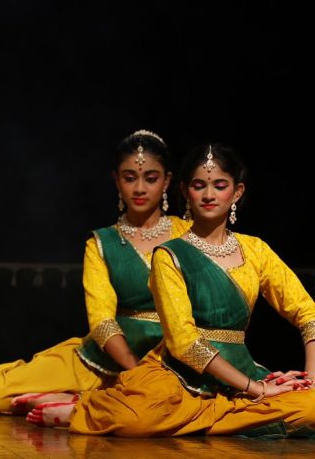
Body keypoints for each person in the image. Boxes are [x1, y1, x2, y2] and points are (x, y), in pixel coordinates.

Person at [43, 144, 315, 437]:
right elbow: (184, 342)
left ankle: (205, 419)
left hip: (239, 369)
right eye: (199, 186)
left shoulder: (256, 250)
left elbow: (307, 311)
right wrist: (257, 389)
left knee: (310, 406)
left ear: (237, 192)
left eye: (220, 185)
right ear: (185, 191)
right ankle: (84, 408)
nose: (209, 195)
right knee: (137, 420)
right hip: (180, 374)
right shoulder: (169, 255)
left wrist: (311, 379)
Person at [0, 130, 191, 416]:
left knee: (163, 405)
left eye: (151, 178)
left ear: (167, 181)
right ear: (116, 181)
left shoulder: (187, 235)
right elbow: (102, 321)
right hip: (109, 354)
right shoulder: (102, 243)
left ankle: (78, 402)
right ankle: (87, 398)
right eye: (129, 178)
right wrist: (134, 371)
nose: (140, 188)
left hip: (172, 355)